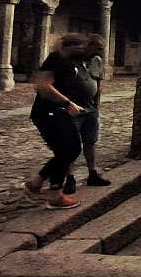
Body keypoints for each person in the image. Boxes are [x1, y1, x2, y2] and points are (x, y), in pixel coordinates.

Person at [24, 34, 95, 209]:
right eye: (81, 46)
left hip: (62, 112)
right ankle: (54, 194)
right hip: (48, 112)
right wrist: (67, 103)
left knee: (68, 151)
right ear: (72, 46)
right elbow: (43, 86)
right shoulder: (55, 59)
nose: (84, 49)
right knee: (68, 150)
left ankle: (37, 183)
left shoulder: (72, 60)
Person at [64, 34, 111, 195]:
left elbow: (98, 83)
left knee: (90, 142)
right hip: (73, 108)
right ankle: (69, 178)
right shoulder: (70, 61)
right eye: (97, 48)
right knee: (70, 144)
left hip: (90, 108)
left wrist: (97, 105)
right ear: (88, 46)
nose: (100, 52)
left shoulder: (96, 61)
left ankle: (92, 173)